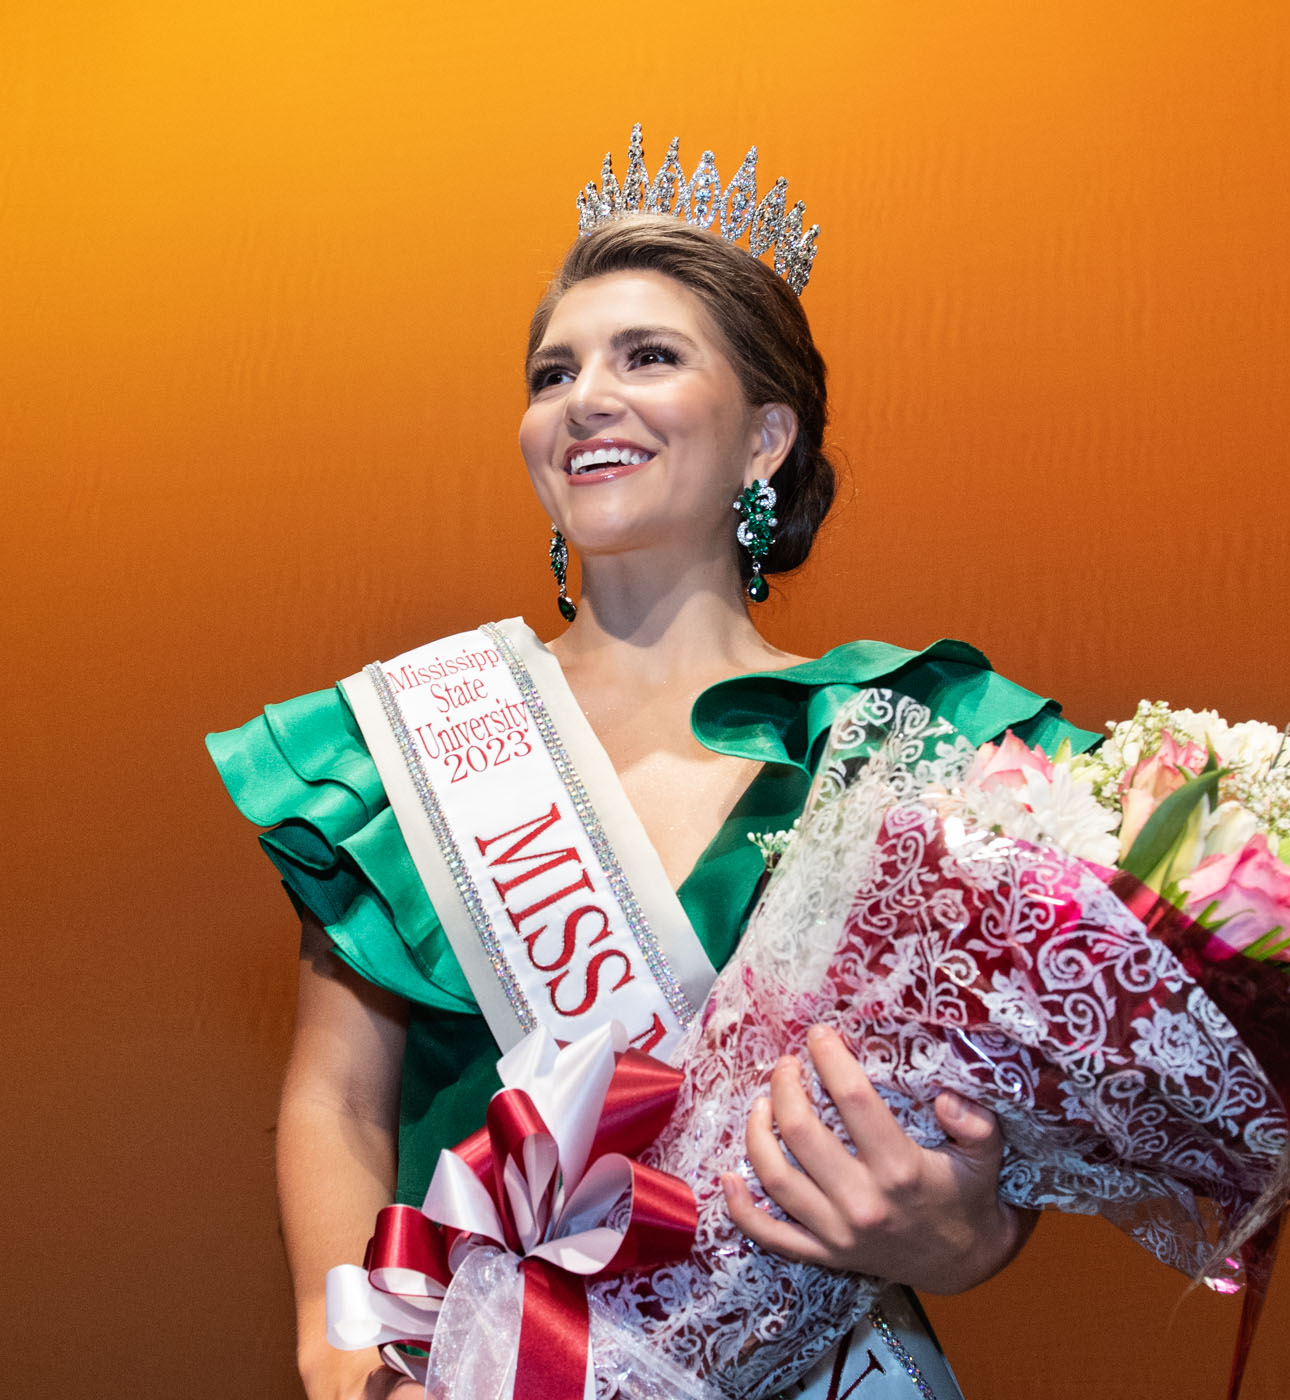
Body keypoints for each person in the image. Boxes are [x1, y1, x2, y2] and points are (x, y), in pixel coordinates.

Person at [209, 130, 1100, 1400]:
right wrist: (344, 1353)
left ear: (765, 438)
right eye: (553, 370)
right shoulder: (407, 743)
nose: (585, 397)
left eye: (650, 357)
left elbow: (988, 1138)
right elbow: (338, 1102)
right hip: (479, 1372)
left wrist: (966, 1234)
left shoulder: (895, 735)